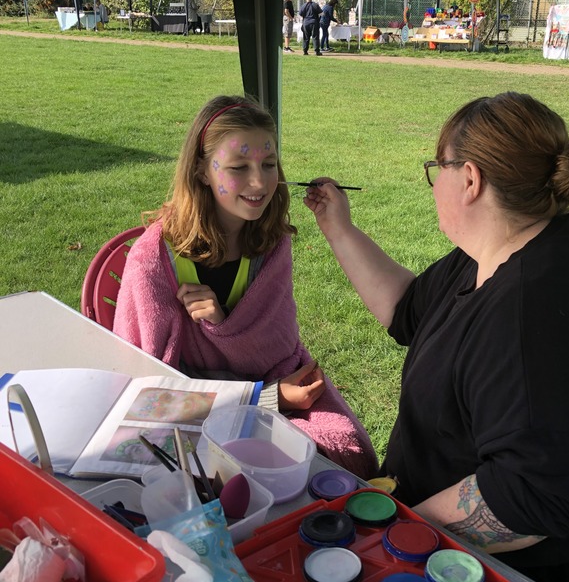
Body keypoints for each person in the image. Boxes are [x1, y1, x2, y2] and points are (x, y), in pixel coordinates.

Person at [304, 91, 569, 582]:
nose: (436, 185)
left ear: (470, 179)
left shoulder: (536, 308)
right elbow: (413, 310)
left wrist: (391, 533)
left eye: (438, 169)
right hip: (486, 564)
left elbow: (539, 494)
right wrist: (339, 229)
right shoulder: (501, 248)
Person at [113, 95, 377, 480]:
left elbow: (277, 348)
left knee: (345, 455)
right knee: (248, 472)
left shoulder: (272, 241)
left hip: (276, 381)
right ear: (202, 171)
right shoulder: (155, 259)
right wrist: (269, 400)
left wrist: (223, 323)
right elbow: (150, 394)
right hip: (196, 410)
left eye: (269, 165)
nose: (259, 182)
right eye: (239, 167)